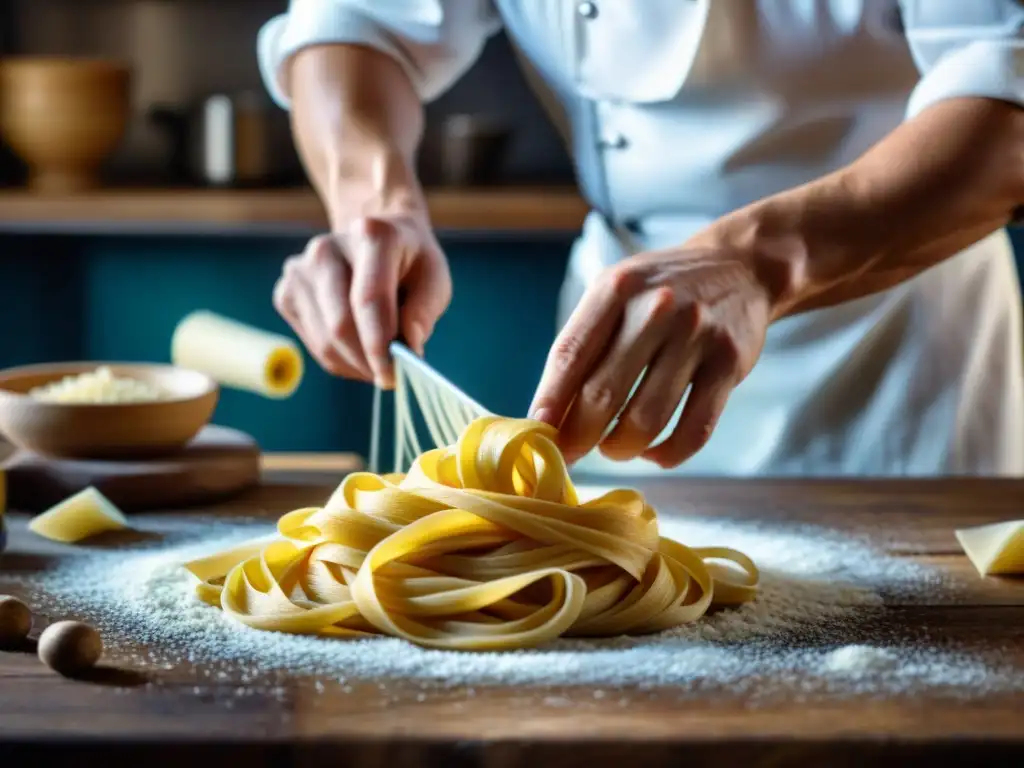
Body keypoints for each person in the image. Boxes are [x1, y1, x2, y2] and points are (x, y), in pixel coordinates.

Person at [260, 0, 1024, 477]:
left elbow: (1008, 97)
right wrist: (375, 202)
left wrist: (755, 264)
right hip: (620, 352)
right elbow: (358, 26)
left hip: (893, 366)